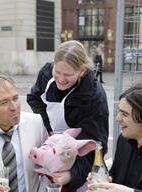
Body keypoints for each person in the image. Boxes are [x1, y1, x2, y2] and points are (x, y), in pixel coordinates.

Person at [27, 40, 109, 191]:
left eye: (68, 75)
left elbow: (96, 145)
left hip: (76, 160)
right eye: (57, 72)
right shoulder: (46, 73)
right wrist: (49, 129)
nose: (61, 79)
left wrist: (72, 175)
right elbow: (34, 99)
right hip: (49, 149)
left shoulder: (93, 96)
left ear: (82, 71)